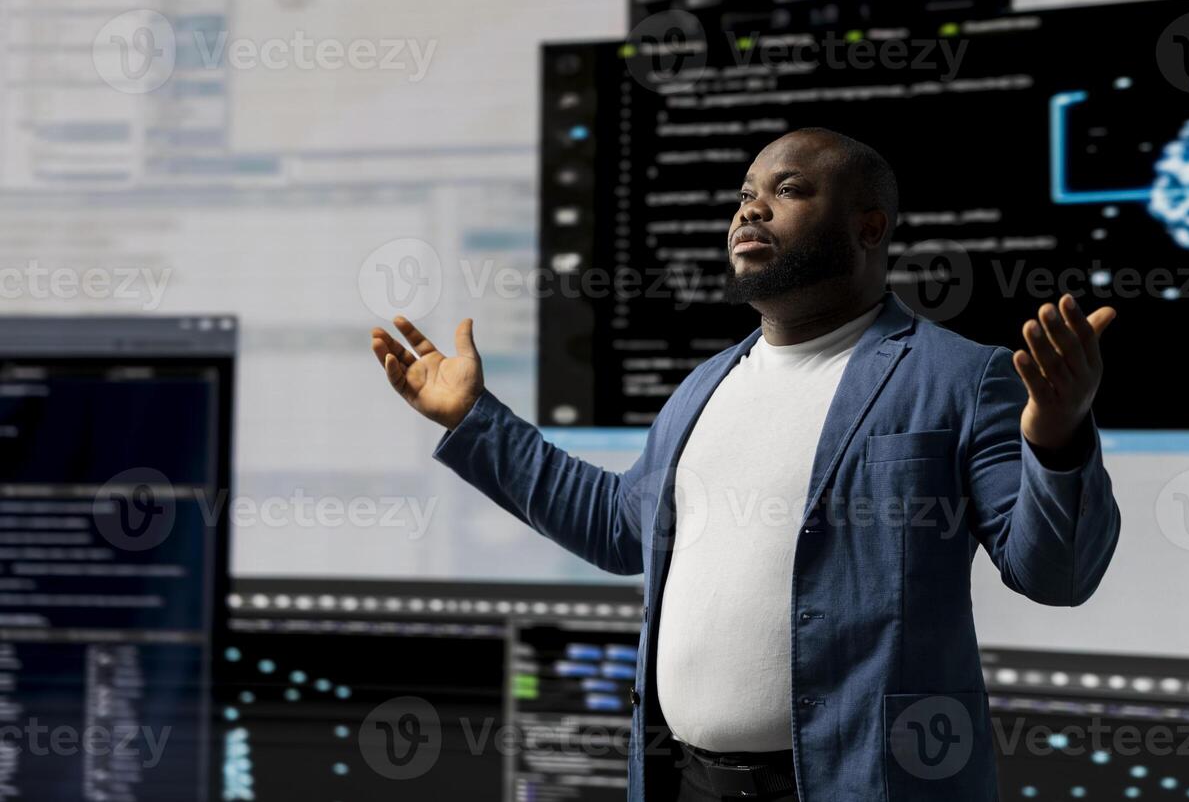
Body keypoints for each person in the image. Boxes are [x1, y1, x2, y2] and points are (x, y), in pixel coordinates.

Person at [369, 127, 1122, 802]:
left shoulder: (962, 376)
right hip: (686, 782)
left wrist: (1057, 438)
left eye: (788, 190)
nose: (750, 211)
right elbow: (617, 529)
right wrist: (475, 420)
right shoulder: (706, 386)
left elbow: (1054, 574)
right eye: (744, 196)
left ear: (869, 226)